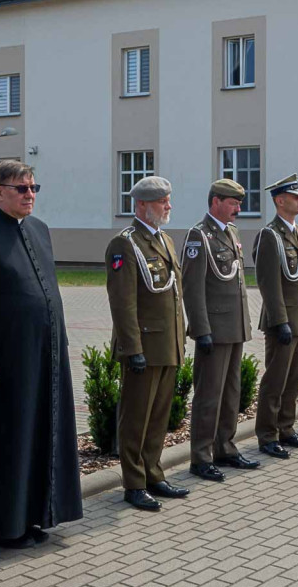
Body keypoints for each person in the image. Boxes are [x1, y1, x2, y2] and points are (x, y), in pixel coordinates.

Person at [0, 161, 82, 548]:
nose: (30, 195)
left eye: (33, 187)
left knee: (40, 435)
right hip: (4, 363)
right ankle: (3, 525)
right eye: (21, 188)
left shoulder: (39, 230)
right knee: (9, 440)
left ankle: (36, 515)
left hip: (43, 356)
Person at [105, 176, 189, 511]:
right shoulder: (125, 244)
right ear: (141, 205)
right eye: (161, 202)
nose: (168, 206)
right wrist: (132, 348)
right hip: (143, 346)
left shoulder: (164, 240)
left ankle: (154, 473)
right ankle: (134, 483)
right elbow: (122, 303)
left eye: (167, 200)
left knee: (158, 416)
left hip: (167, 343)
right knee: (136, 417)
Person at [181, 179, 261, 482]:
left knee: (231, 393)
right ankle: (200, 457)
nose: (238, 209)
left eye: (239, 203)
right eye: (233, 203)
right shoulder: (198, 236)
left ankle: (225, 447)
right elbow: (193, 287)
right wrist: (201, 331)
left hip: (234, 326)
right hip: (213, 329)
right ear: (216, 202)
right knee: (209, 396)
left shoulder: (231, 233)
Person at [253, 174, 298, 457]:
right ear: (280, 201)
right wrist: (280, 321)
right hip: (283, 322)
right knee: (276, 381)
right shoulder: (270, 236)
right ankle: (268, 435)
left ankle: (287, 428)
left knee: (294, 380)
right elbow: (268, 283)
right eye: (296, 197)